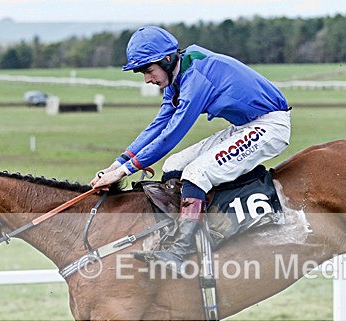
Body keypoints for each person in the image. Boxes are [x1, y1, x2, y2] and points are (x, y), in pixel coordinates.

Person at [90, 26, 291, 271]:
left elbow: (172, 134)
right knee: (173, 165)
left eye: (149, 71)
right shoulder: (177, 75)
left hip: (270, 126)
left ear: (166, 59)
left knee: (196, 173)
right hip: (246, 125)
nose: (147, 79)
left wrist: (125, 171)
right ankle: (181, 230)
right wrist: (115, 166)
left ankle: (180, 250)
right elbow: (158, 126)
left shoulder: (196, 78)